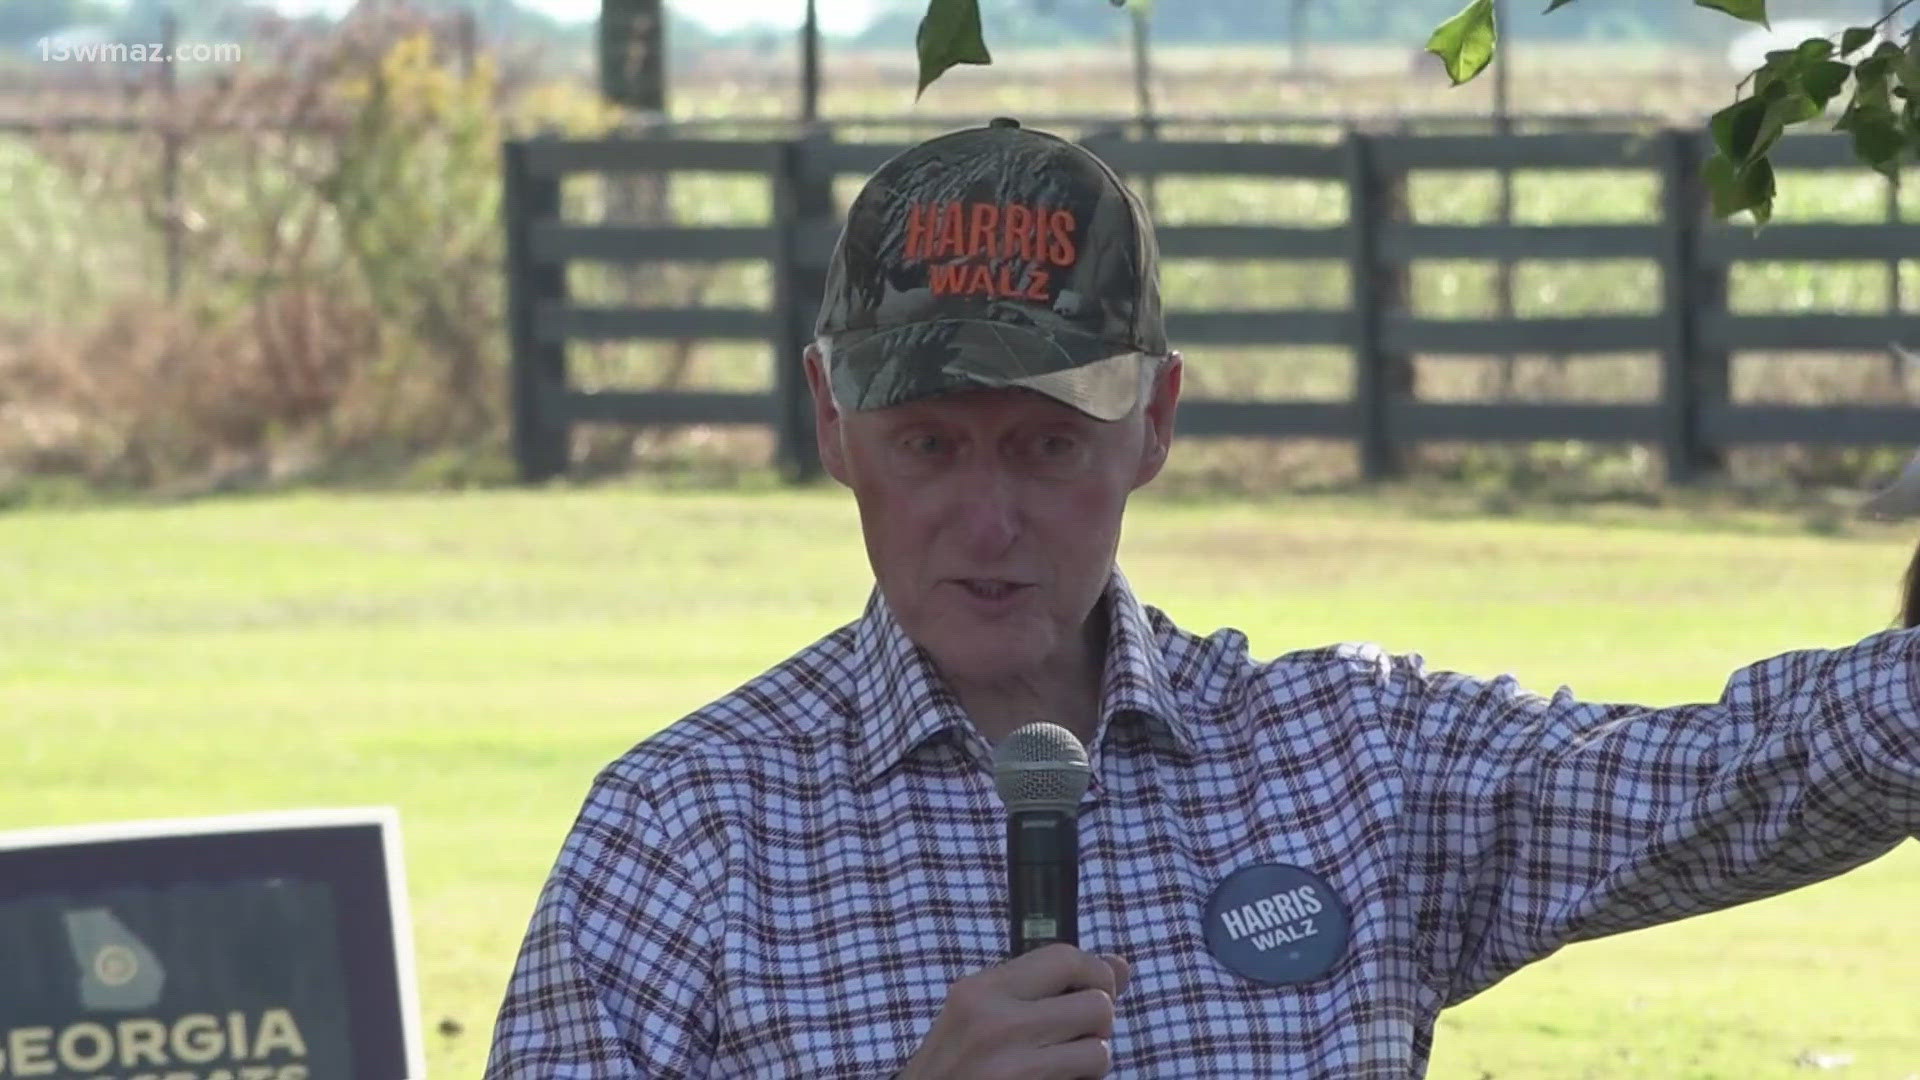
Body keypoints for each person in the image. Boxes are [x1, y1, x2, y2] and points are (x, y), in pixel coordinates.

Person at [483, 118, 1920, 1079]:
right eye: (930, 444)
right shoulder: (685, 834)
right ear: (834, 423)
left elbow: (1743, 778)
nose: (989, 521)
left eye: (1048, 446)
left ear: (1155, 423)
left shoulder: (1348, 759)